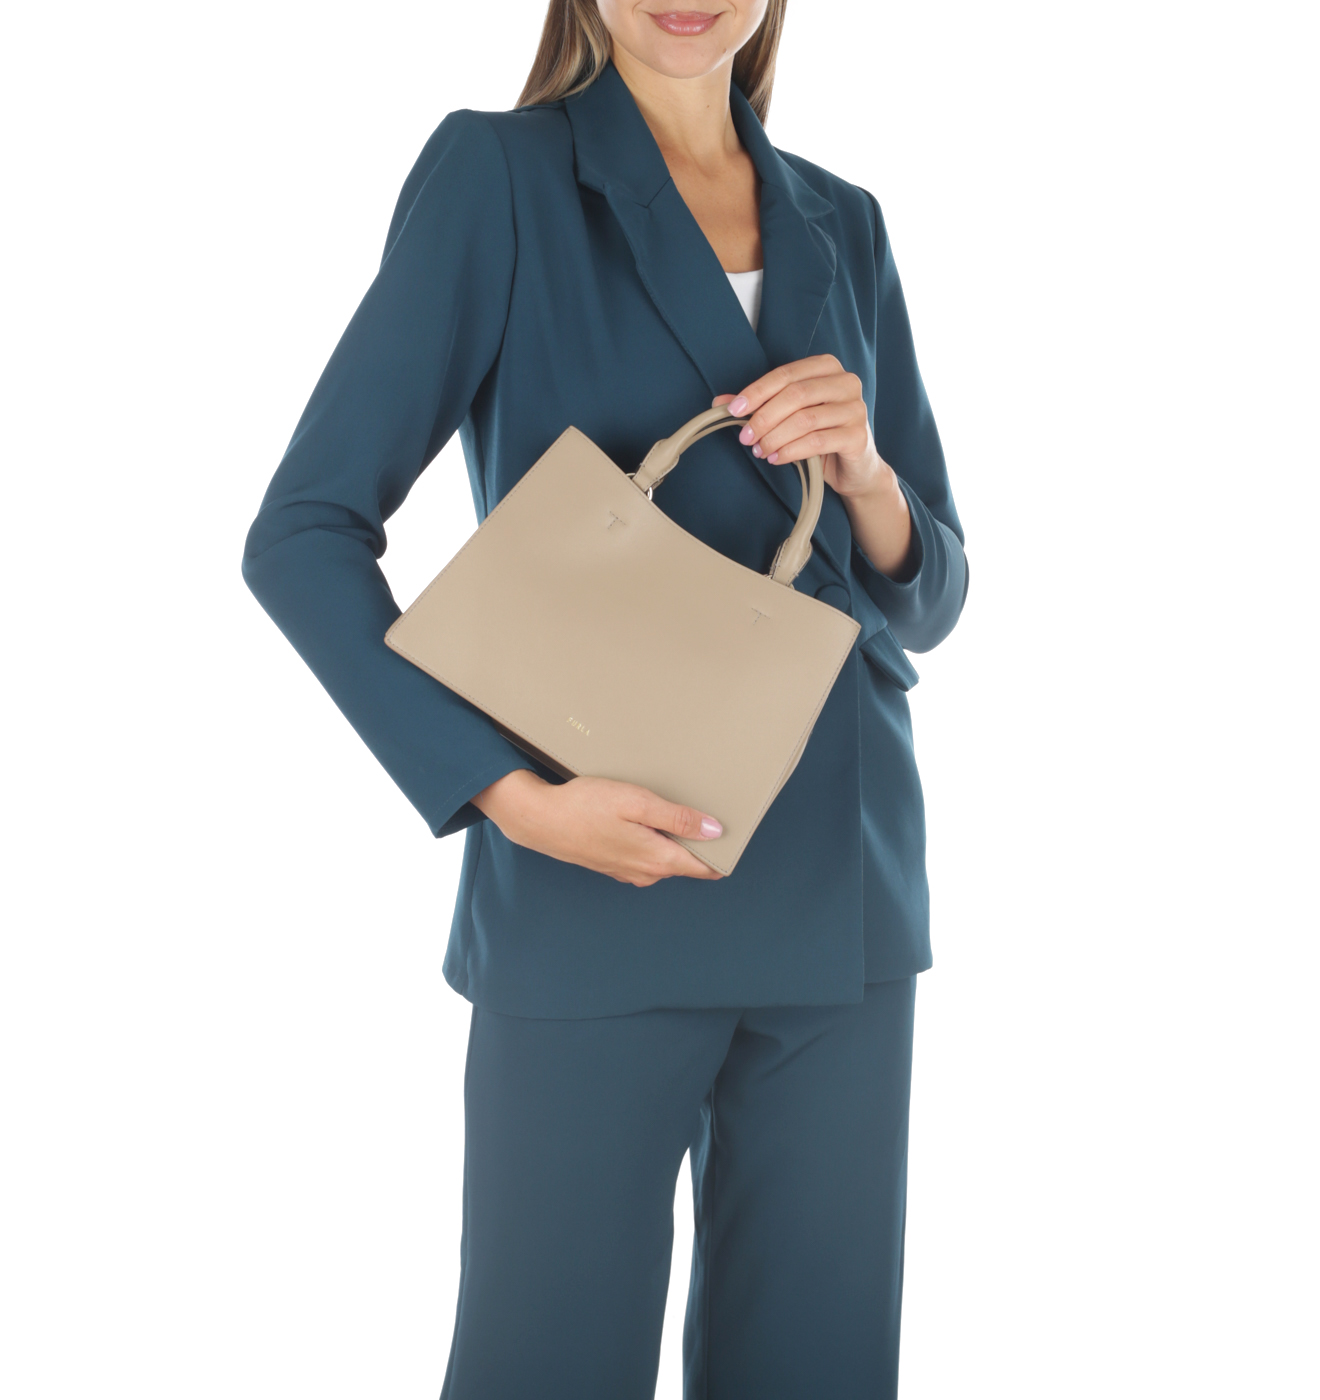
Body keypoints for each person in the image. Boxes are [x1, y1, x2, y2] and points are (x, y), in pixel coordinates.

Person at [241, 1, 968, 1394]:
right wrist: (510, 801)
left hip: (846, 890)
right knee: (546, 1364)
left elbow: (928, 600)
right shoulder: (500, 178)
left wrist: (869, 479)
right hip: (593, 879)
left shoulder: (845, 220)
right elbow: (303, 532)